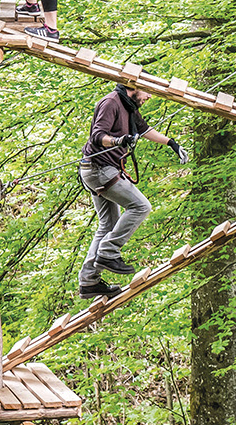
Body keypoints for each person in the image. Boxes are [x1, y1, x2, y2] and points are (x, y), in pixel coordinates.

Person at [77, 83, 187, 299]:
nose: (148, 97)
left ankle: (89, 280)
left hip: (98, 170)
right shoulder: (111, 102)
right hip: (100, 169)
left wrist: (171, 143)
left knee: (108, 224)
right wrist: (119, 141)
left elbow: (144, 129)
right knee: (141, 206)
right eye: (147, 92)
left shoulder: (128, 105)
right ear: (134, 86)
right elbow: (98, 136)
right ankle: (109, 252)